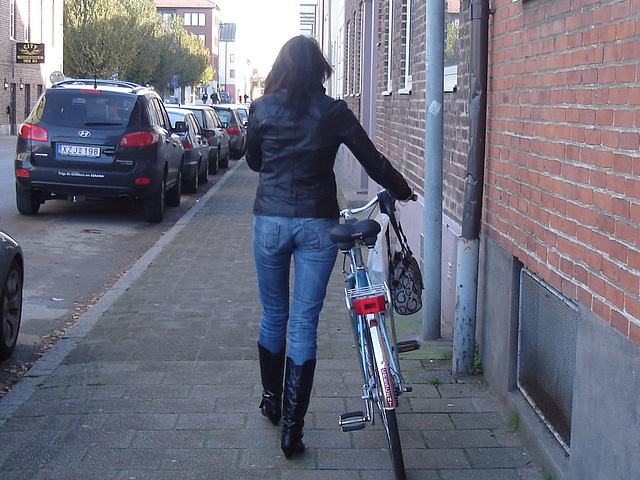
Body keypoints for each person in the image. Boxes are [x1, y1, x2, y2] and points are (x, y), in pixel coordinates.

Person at [246, 35, 412, 460]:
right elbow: (371, 159)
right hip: (318, 225)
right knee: (303, 323)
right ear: (321, 69)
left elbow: (253, 162)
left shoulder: (262, 108)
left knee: (273, 315)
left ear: (281, 67)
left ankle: (271, 402)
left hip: (270, 221)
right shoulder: (333, 112)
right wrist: (402, 188)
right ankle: (292, 431)